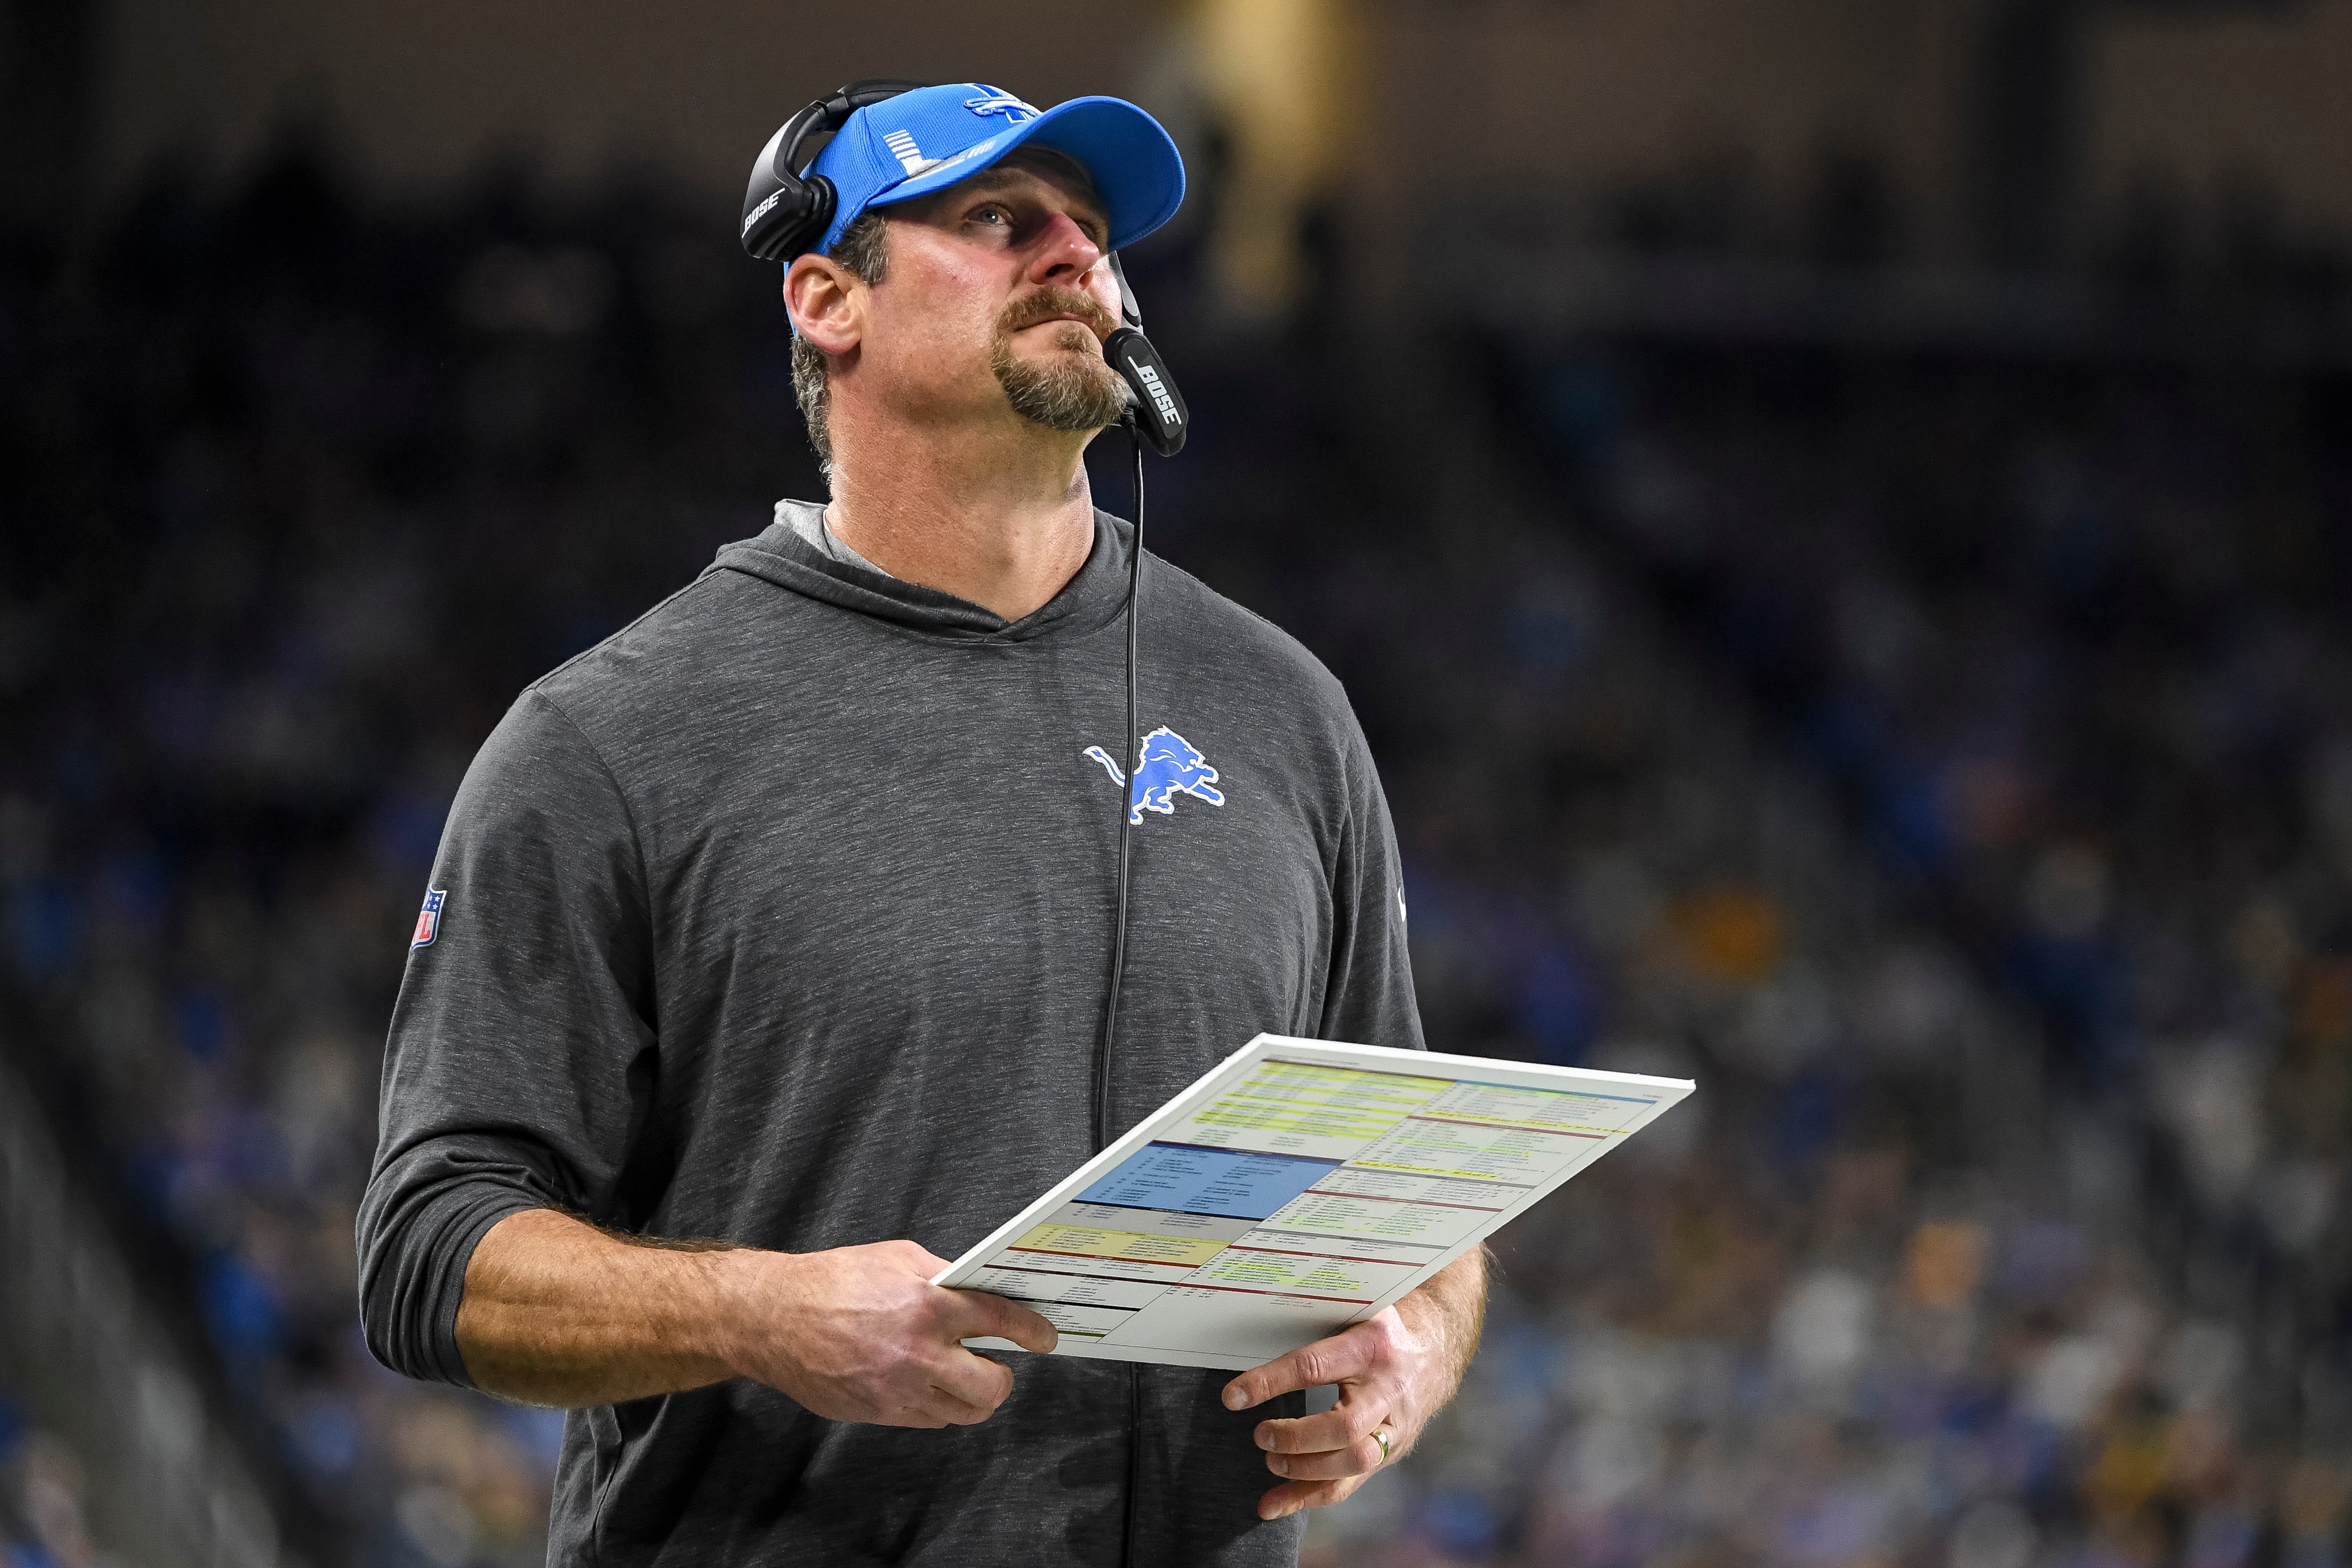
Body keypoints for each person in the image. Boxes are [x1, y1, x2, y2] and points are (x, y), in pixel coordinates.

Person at [356, 80, 1486, 1566]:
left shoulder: (1283, 709)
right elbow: (430, 1257)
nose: (1074, 257)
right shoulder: (611, 741)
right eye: (995, 219)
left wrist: (1408, 1351)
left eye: (1090, 234)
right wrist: (759, 1314)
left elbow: (1410, 1198)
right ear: (827, 297)